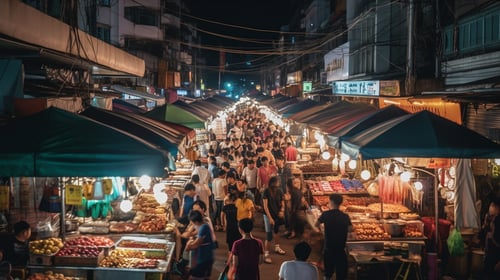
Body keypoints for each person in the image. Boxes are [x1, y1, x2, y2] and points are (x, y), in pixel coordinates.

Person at [315, 194, 352, 280]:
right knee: (341, 273)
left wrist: (324, 228)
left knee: (328, 273)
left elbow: (316, 224)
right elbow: (350, 229)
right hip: (340, 249)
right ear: (340, 203)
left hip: (329, 248)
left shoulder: (326, 214)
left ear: (331, 202)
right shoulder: (345, 216)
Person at [185, 210, 216, 280]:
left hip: (204, 258)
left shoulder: (203, 227)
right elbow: (193, 235)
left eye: (192, 222)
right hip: (206, 256)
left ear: (196, 221)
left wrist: (189, 245)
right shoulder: (203, 225)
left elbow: (197, 243)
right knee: (205, 277)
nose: (191, 223)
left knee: (197, 277)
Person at [262, 175, 286, 264]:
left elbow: (282, 201)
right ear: (273, 183)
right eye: (277, 182)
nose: (279, 183)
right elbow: (265, 206)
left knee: (276, 231)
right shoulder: (266, 191)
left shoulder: (279, 190)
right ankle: (266, 254)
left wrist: (282, 210)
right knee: (268, 235)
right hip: (268, 215)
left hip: (276, 214)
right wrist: (270, 218)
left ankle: (277, 246)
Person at [484, 197, 500, 280]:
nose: (490, 207)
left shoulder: (498, 221)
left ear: (498, 208)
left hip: (496, 259)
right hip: (489, 257)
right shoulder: (491, 220)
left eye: (492, 205)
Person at [221, 193, 241, 258]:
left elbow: (222, 215)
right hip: (237, 227)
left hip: (229, 228)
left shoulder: (225, 207)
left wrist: (223, 224)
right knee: (237, 243)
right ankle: (237, 258)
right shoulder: (237, 207)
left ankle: (229, 261)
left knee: (230, 246)